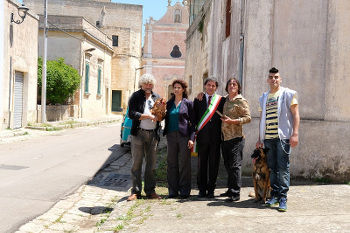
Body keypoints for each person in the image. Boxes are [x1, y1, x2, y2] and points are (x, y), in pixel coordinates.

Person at [256, 67, 300, 211]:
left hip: (283, 138)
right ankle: (274, 195)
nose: (274, 79)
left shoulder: (288, 94)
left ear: (280, 79)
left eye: (276, 77)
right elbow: (262, 119)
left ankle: (283, 198)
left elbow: (295, 114)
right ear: (268, 80)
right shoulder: (263, 97)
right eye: (271, 77)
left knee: (283, 168)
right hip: (268, 139)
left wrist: (295, 134)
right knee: (273, 168)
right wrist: (260, 139)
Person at [127, 73, 165, 201]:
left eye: (150, 84)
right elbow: (131, 113)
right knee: (136, 163)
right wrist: (147, 116)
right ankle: (136, 192)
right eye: (146, 83)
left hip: (153, 133)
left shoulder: (156, 97)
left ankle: (150, 191)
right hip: (139, 133)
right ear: (142, 84)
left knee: (151, 164)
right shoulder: (136, 96)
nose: (148, 86)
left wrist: (161, 113)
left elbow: (161, 115)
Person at [220, 78, 251, 202]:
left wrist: (233, 121)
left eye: (234, 84)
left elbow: (248, 118)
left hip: (236, 138)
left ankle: (235, 193)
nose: (232, 86)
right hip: (225, 137)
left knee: (235, 166)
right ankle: (230, 189)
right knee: (228, 165)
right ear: (227, 87)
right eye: (230, 84)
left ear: (238, 87)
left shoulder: (241, 101)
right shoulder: (225, 99)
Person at [163, 79, 195, 199]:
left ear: (183, 89)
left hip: (184, 136)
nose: (176, 89)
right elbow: (162, 117)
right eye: (174, 87)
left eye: (178, 87)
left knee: (184, 164)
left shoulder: (188, 103)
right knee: (171, 163)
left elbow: (193, 122)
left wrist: (191, 138)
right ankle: (173, 190)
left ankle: (185, 190)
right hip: (171, 136)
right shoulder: (169, 103)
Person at [193, 77, 225, 198]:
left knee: (214, 164)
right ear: (205, 86)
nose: (211, 87)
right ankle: (202, 189)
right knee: (202, 164)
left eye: (213, 86)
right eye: (209, 85)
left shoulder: (221, 100)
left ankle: (211, 189)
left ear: (216, 87)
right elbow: (195, 118)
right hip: (202, 137)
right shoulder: (198, 100)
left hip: (216, 138)